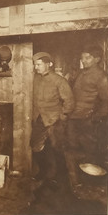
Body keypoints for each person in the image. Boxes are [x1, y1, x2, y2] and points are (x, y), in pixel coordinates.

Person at [66, 45, 108, 188]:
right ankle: (76, 183)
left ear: (97, 59)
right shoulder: (81, 73)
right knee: (71, 148)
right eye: (82, 57)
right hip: (74, 118)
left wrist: (96, 118)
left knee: (89, 152)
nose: (83, 60)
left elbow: (107, 101)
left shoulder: (101, 76)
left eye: (87, 57)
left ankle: (91, 185)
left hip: (88, 120)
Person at [31, 52, 74, 188]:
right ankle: (42, 173)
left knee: (57, 149)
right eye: (34, 64)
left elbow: (69, 101)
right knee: (35, 146)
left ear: (48, 64)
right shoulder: (36, 79)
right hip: (40, 119)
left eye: (38, 64)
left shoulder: (59, 80)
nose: (35, 67)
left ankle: (60, 178)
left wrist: (62, 116)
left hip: (55, 120)